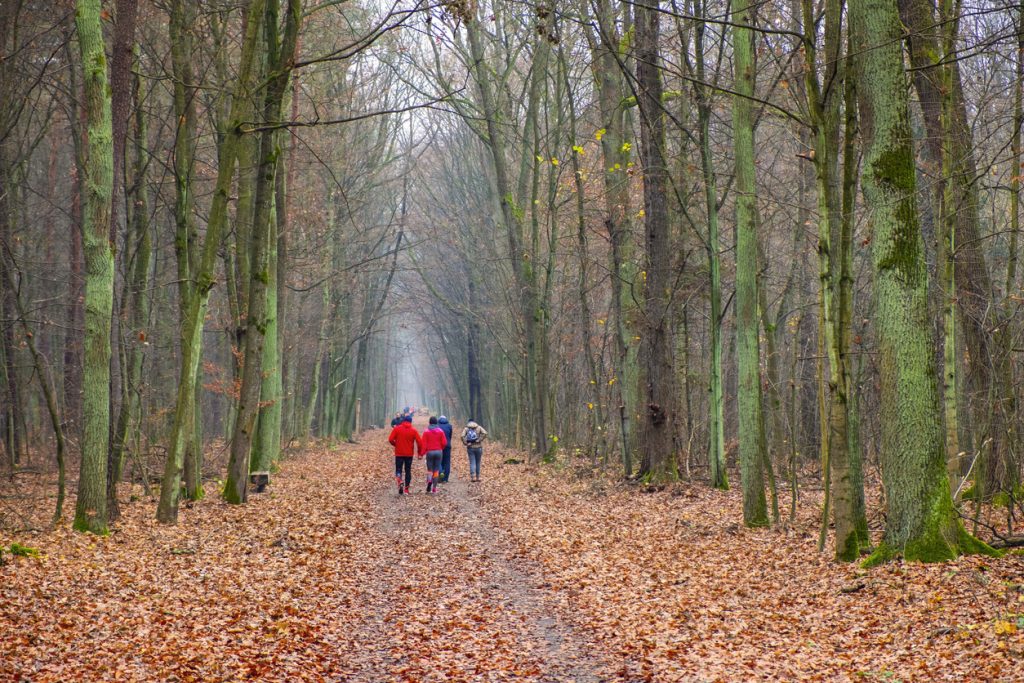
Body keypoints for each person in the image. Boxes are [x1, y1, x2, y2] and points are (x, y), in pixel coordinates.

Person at [388, 414, 423, 495]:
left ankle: (399, 481)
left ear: (403, 421)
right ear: (411, 422)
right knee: (408, 471)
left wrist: (395, 444)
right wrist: (419, 453)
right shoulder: (413, 431)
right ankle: (406, 489)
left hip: (399, 454)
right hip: (409, 454)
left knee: (398, 469)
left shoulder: (397, 429)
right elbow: (420, 442)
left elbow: (390, 439)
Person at [421, 416, 448, 493]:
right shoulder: (440, 431)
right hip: (438, 452)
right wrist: (440, 448)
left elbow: (424, 444)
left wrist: (422, 453)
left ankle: (429, 481)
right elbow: (444, 443)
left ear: (429, 422)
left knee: (430, 469)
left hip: (429, 452)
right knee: (436, 470)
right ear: (436, 422)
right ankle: (434, 488)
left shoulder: (426, 432)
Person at [437, 415, 454, 482]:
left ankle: (440, 474)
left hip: (439, 446)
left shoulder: (437, 426)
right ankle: (445, 479)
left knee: (439, 461)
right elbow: (450, 436)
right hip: (447, 445)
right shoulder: (449, 426)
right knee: (447, 462)